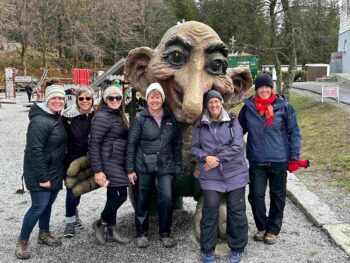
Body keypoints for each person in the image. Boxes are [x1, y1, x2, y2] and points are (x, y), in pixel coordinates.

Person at [238, 73, 301, 245]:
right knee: (256, 195)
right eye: (261, 87)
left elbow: (294, 132)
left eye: (267, 87)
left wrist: (294, 156)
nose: (264, 90)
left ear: (271, 88)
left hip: (279, 159)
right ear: (256, 89)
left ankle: (273, 229)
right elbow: (237, 131)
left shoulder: (284, 106)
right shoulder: (249, 108)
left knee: (277, 195)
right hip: (257, 160)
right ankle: (261, 226)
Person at [191, 90, 249, 263]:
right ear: (206, 105)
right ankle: (207, 248)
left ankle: (237, 248)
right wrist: (205, 157)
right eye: (210, 102)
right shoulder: (200, 124)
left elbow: (238, 146)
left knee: (236, 210)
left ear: (222, 102)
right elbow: (194, 148)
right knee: (210, 209)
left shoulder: (233, 120)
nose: (214, 105)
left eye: (217, 102)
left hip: (234, 172)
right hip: (211, 174)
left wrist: (216, 159)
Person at [126, 82, 182, 248]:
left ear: (162, 98)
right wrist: (130, 169)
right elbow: (131, 145)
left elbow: (177, 143)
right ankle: (141, 233)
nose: (154, 100)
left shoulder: (170, 118)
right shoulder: (139, 119)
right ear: (147, 99)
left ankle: (165, 233)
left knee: (166, 199)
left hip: (165, 165)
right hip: (143, 166)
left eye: (157, 97)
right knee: (142, 199)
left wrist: (177, 164)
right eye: (151, 97)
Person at [15, 84, 67, 260]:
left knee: (47, 205)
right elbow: (34, 151)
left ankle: (44, 233)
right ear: (47, 99)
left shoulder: (55, 117)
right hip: (41, 172)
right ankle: (22, 241)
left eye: (61, 98)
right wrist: (43, 177)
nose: (58, 101)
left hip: (54, 170)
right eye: (54, 98)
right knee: (38, 207)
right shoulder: (39, 121)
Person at [89, 85, 130, 245]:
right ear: (105, 100)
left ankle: (111, 230)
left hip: (118, 161)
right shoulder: (102, 117)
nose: (114, 100)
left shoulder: (117, 115)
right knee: (121, 196)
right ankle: (101, 223)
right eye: (111, 98)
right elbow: (94, 145)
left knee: (113, 196)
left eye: (118, 98)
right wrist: (98, 170)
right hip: (109, 162)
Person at [62, 87, 94, 238]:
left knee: (79, 191)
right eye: (81, 99)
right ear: (77, 100)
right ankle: (70, 221)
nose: (85, 101)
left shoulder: (95, 115)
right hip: (72, 159)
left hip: (89, 160)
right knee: (71, 190)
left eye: (88, 98)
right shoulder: (68, 117)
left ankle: (74, 212)